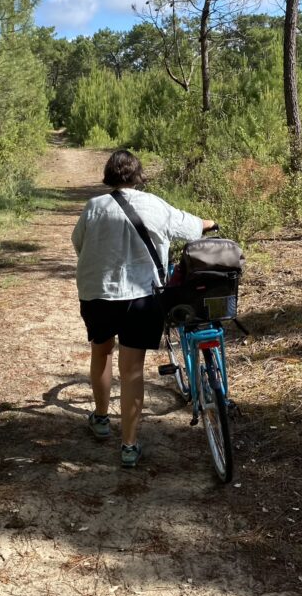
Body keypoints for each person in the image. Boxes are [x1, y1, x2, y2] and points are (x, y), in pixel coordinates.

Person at [71, 149, 215, 468]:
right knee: (133, 370)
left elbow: (78, 244)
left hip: (98, 294)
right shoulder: (155, 205)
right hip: (141, 297)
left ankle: (101, 417)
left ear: (109, 175)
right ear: (138, 175)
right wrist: (211, 222)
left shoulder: (94, 207)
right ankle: (129, 446)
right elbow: (191, 226)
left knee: (102, 351)